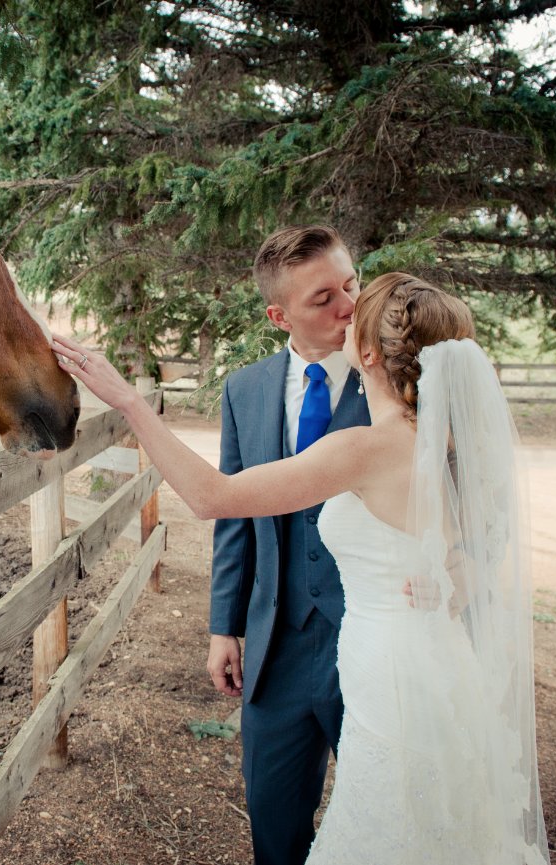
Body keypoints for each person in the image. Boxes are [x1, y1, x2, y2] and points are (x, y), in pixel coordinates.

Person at [53, 272, 550, 864]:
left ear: (367, 353)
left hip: (389, 670)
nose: (344, 311)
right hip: (432, 662)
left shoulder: (365, 448)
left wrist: (131, 401)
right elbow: (470, 545)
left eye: (354, 306)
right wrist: (452, 577)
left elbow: (213, 496)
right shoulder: (441, 443)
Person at [207, 225, 369, 864]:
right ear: (279, 317)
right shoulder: (243, 390)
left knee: (383, 818)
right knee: (274, 825)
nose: (349, 306)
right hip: (274, 647)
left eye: (351, 283)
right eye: (323, 298)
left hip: (371, 642)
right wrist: (224, 626)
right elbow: (233, 520)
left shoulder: (394, 382)